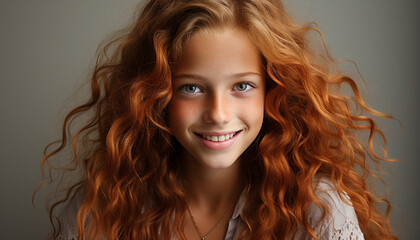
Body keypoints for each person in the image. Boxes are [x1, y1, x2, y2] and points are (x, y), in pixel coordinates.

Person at [35, 0, 398, 239]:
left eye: (242, 85)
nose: (218, 114)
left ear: (274, 91)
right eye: (191, 88)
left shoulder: (318, 212)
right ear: (155, 95)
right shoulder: (101, 209)